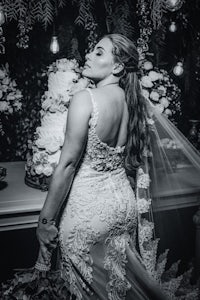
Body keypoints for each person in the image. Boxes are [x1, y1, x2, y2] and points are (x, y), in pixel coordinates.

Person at [35, 33, 170, 299]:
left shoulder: (86, 98)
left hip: (89, 212)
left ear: (118, 66)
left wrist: (45, 221)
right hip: (123, 207)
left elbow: (68, 164)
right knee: (116, 290)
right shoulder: (133, 103)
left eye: (99, 52)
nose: (88, 55)